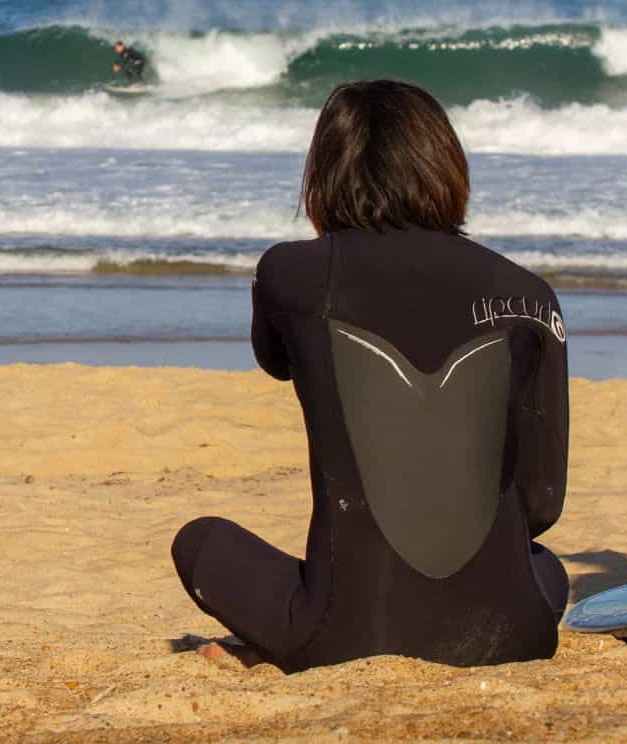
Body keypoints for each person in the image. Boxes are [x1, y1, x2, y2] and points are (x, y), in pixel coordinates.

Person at [170, 79, 568, 672]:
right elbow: (541, 503)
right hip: (517, 629)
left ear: (323, 177)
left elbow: (274, 359)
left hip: (342, 634)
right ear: (446, 167)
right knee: (547, 565)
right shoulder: (530, 296)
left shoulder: (290, 275)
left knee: (199, 541)